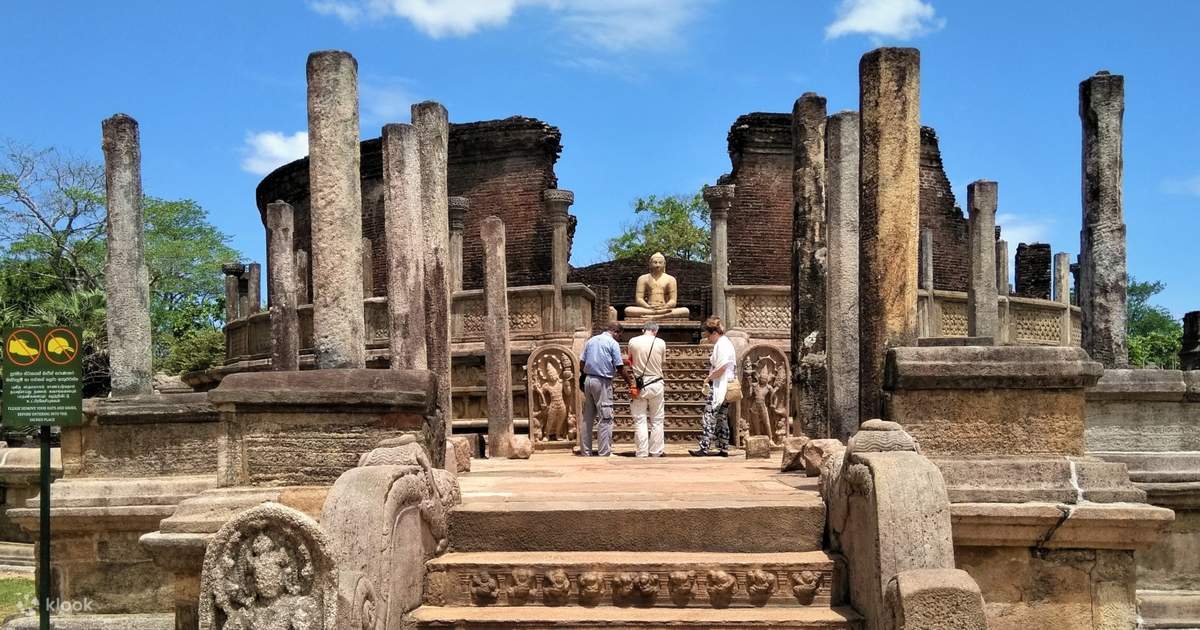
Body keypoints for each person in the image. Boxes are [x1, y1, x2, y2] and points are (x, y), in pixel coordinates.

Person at [578, 320, 633, 456]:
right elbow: (620, 367)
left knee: (588, 418)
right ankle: (604, 452)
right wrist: (630, 383)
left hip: (589, 379)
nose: (619, 339)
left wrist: (589, 372)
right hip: (602, 381)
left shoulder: (591, 341)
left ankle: (586, 451)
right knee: (606, 417)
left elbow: (581, 362)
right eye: (620, 336)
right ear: (615, 332)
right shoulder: (612, 343)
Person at [691, 316, 736, 457]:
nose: (708, 339)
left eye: (709, 335)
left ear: (714, 333)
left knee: (709, 416)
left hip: (720, 385)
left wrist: (710, 377)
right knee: (722, 417)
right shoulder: (726, 343)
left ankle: (704, 447)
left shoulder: (721, 344)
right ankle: (724, 447)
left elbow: (722, 366)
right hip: (725, 383)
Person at [628, 321, 667, 457]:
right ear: (655, 331)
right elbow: (663, 362)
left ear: (642, 329)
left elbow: (630, 360)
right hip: (656, 382)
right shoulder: (661, 342)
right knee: (657, 419)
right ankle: (656, 451)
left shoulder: (633, 341)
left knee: (640, 419)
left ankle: (642, 451)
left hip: (639, 384)